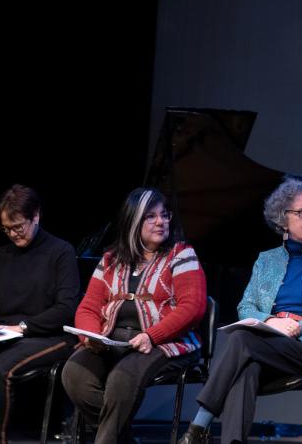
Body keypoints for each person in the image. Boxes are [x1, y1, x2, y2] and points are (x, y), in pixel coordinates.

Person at [177, 177, 302, 444]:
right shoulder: (266, 259)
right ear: (283, 219)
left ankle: (199, 423)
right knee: (246, 369)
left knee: (241, 340)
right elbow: (245, 307)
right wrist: (271, 321)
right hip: (270, 346)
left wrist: (297, 327)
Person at [61, 187, 207, 443]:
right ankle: (124, 438)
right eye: (151, 216)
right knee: (74, 373)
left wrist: (152, 335)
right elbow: (88, 307)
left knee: (121, 379)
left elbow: (192, 307)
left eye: (164, 215)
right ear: (133, 221)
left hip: (165, 341)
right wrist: (91, 337)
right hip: (112, 339)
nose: (161, 222)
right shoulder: (110, 260)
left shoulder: (181, 254)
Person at [0, 184, 80, 443]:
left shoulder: (60, 252)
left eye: (18, 226)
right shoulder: (1, 256)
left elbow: (66, 309)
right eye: (6, 228)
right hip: (6, 336)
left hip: (50, 337)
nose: (12, 234)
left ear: (36, 217)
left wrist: (23, 327)